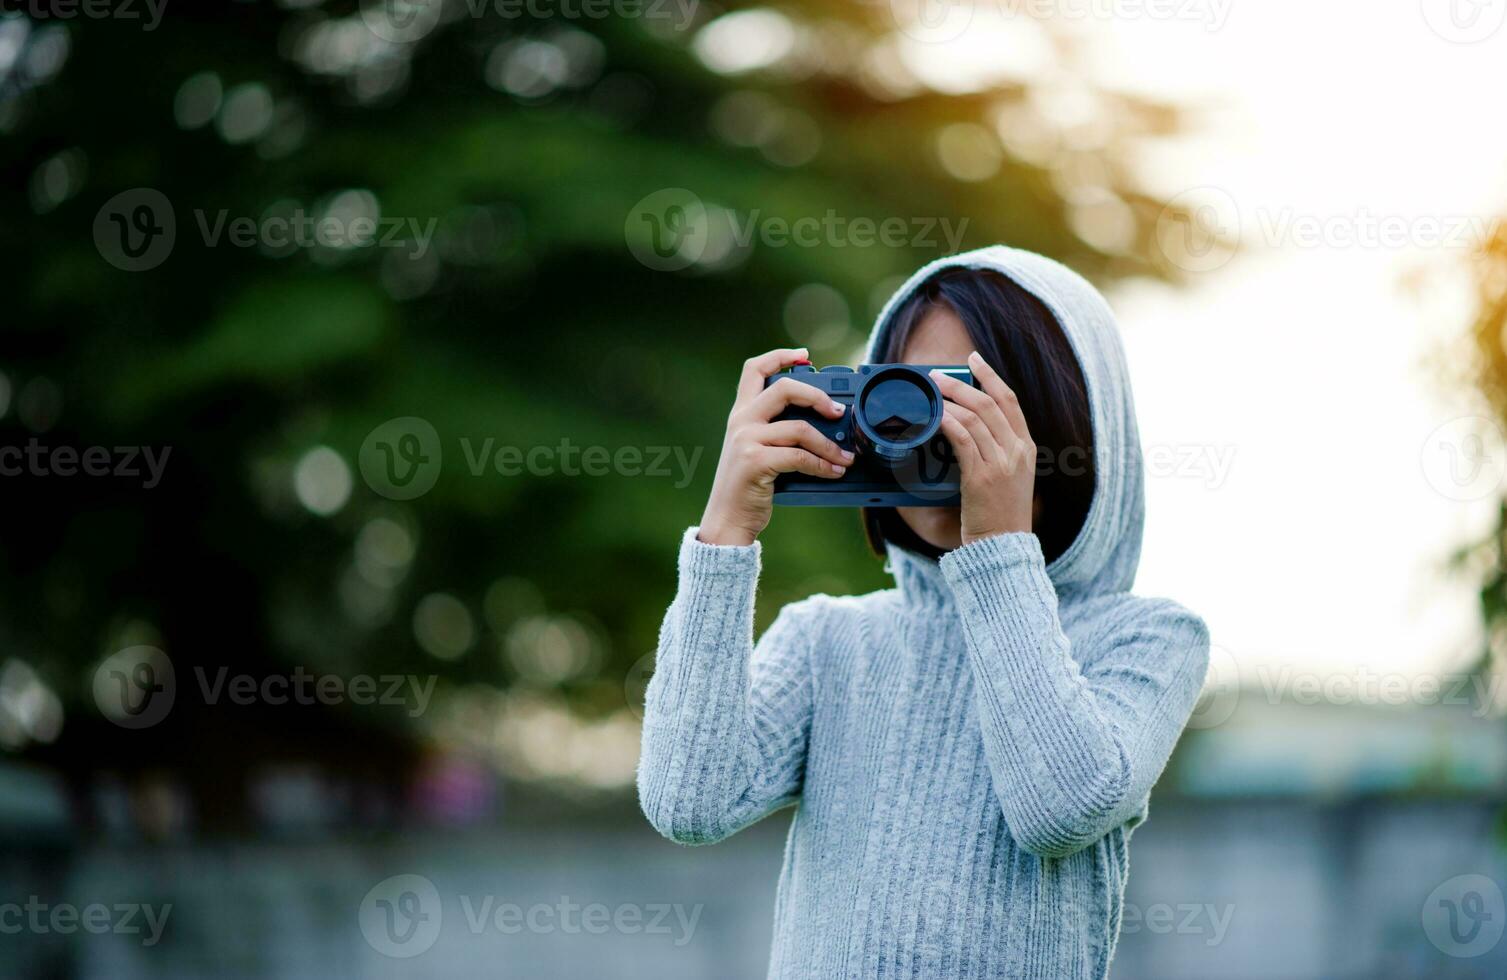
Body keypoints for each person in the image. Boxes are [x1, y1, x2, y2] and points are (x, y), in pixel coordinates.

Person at [637, 245, 1210, 980]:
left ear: (1066, 425)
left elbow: (1057, 808)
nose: (934, 433)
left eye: (967, 400)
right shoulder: (828, 640)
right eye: (905, 400)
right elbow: (689, 800)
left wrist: (998, 544)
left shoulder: (1146, 638)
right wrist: (724, 534)